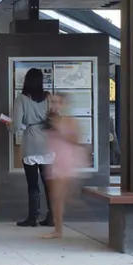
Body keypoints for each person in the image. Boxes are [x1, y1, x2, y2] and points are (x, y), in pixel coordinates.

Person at [41, 98, 88, 241]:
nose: (54, 105)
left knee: (58, 197)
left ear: (65, 104)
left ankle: (58, 229)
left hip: (66, 162)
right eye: (53, 102)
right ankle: (58, 228)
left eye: (58, 102)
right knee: (56, 198)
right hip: (54, 161)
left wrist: (60, 128)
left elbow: (76, 139)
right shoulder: (51, 119)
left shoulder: (69, 121)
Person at [13, 68, 52, 226]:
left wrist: (9, 126)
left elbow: (15, 125)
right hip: (48, 143)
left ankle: (32, 218)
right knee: (48, 182)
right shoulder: (48, 97)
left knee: (33, 183)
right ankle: (52, 217)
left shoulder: (21, 99)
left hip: (31, 143)